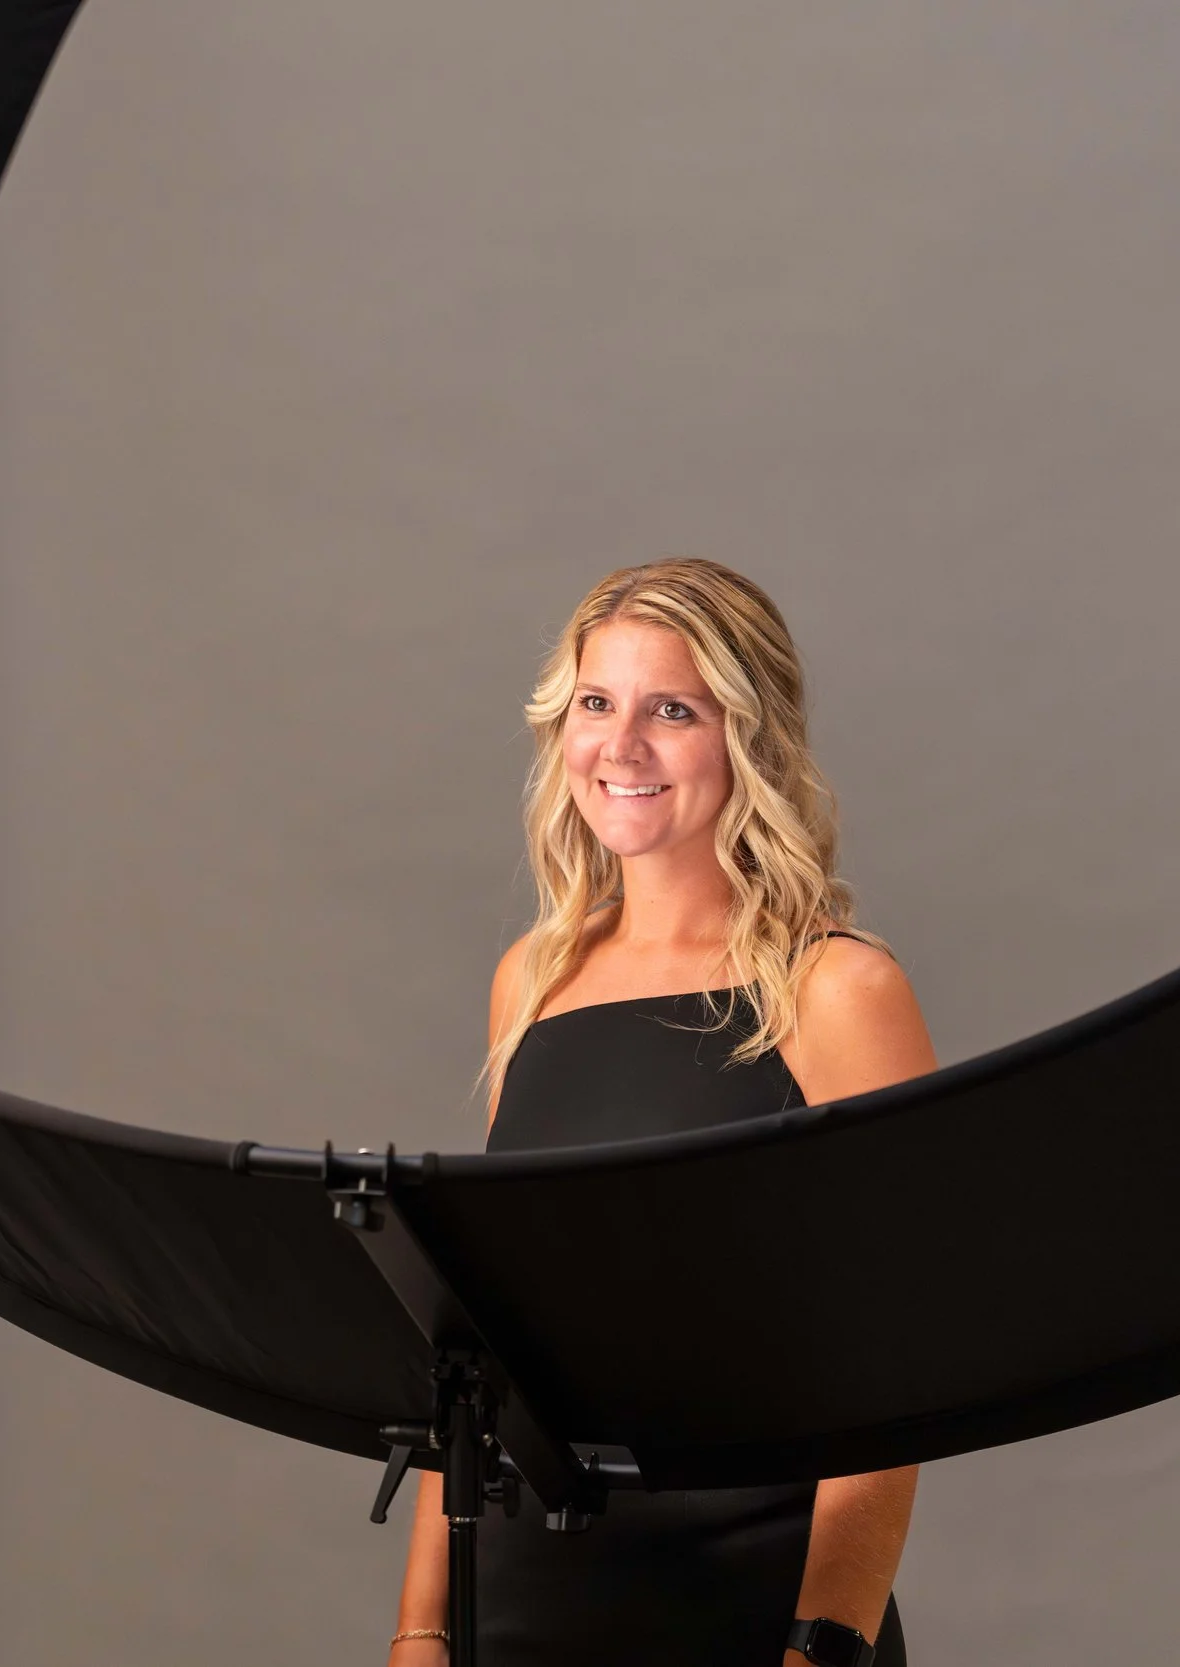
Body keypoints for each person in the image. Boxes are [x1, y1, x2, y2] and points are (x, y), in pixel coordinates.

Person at [387, 560, 934, 1667]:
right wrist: (421, 1627)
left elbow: (900, 1371)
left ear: (748, 736)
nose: (619, 745)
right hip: (521, 1602)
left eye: (670, 709)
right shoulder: (531, 981)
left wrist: (820, 1642)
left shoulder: (835, 990)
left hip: (747, 1606)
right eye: (597, 702)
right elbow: (473, 1346)